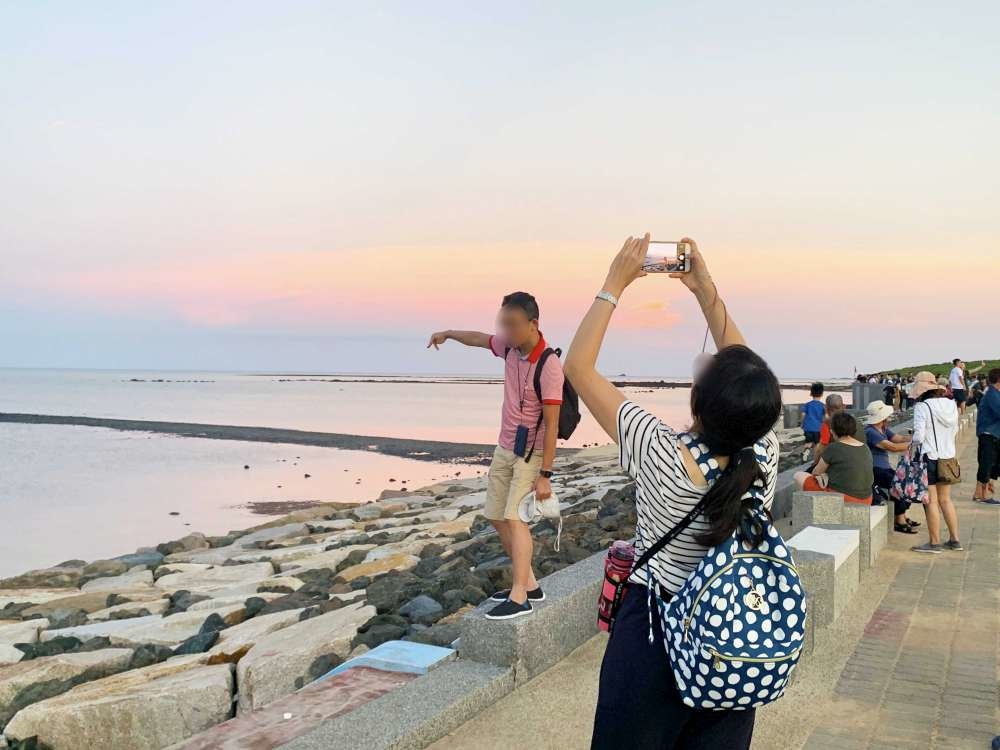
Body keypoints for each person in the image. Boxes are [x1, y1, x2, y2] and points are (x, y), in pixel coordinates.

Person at [565, 235, 783, 749]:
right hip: (732, 632)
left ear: (699, 401)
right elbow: (746, 370)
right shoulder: (764, 453)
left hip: (655, 631)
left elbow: (577, 367)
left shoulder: (660, 450)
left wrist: (613, 285)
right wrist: (705, 291)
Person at [426, 291, 564, 619]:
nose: (507, 332)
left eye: (513, 325)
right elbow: (479, 339)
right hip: (504, 446)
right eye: (503, 324)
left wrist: (546, 475)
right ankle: (529, 583)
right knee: (495, 515)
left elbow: (554, 424)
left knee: (516, 518)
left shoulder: (549, 365)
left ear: (533, 325)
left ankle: (520, 598)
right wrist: (448, 333)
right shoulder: (508, 348)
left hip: (531, 454)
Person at [910, 371, 962, 553]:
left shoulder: (922, 407)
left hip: (930, 457)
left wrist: (911, 442)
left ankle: (934, 543)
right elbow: (954, 430)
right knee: (946, 500)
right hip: (948, 457)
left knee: (931, 501)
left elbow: (918, 436)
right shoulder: (951, 404)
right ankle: (955, 540)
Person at [794, 412, 873, 504]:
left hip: (845, 499)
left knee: (798, 476)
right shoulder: (865, 447)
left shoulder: (833, 447)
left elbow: (816, 472)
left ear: (832, 431)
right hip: (867, 499)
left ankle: (806, 512)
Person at [863, 400, 917, 534]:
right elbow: (892, 447)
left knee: (905, 484)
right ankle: (899, 520)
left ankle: (902, 515)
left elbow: (897, 439)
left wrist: (914, 437)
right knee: (898, 486)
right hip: (876, 469)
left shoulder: (882, 429)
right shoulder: (870, 431)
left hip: (885, 467)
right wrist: (913, 445)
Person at [973, 368, 1000, 505]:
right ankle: (983, 495)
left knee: (991, 464)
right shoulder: (992, 395)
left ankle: (979, 493)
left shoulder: (993, 393)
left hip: (993, 433)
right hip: (989, 434)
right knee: (987, 464)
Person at [814, 394, 865, 462]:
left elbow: (821, 449)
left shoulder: (827, 424)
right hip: (862, 458)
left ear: (825, 408)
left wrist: (814, 464)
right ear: (844, 406)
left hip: (842, 462)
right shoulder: (856, 421)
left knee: (817, 446)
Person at [800, 383, 826, 463]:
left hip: (807, 427)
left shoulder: (807, 405)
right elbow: (825, 417)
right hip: (818, 428)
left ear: (811, 393)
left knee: (808, 442)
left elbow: (803, 415)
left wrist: (802, 423)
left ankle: (805, 452)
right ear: (822, 394)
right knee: (817, 444)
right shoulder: (823, 406)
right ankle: (815, 460)